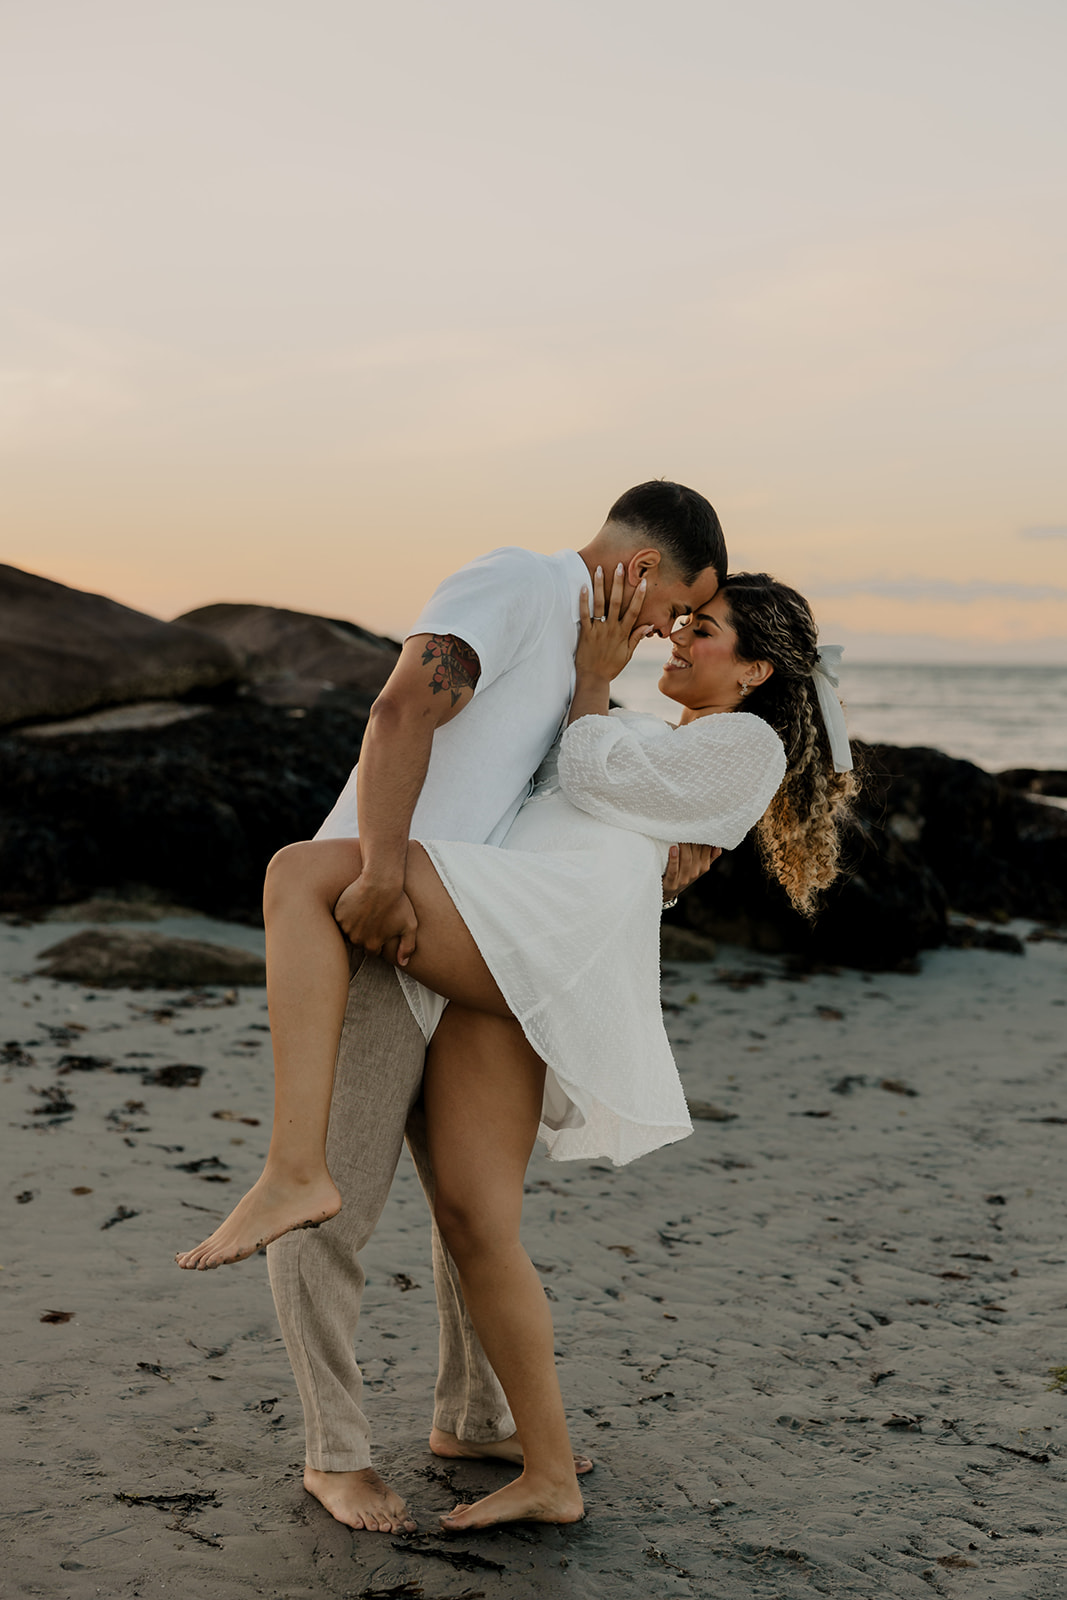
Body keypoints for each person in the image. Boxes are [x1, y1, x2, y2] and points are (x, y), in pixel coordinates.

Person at [177, 563, 857, 1533]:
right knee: (473, 1214)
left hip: (536, 935)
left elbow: (585, 775)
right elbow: (585, 812)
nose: (675, 639)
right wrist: (604, 733)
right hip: (511, 939)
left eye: (700, 630)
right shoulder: (658, 737)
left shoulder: (741, 745)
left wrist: (588, 681)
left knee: (298, 873)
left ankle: (293, 1168)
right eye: (684, 621)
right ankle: (528, 1458)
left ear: (754, 672)